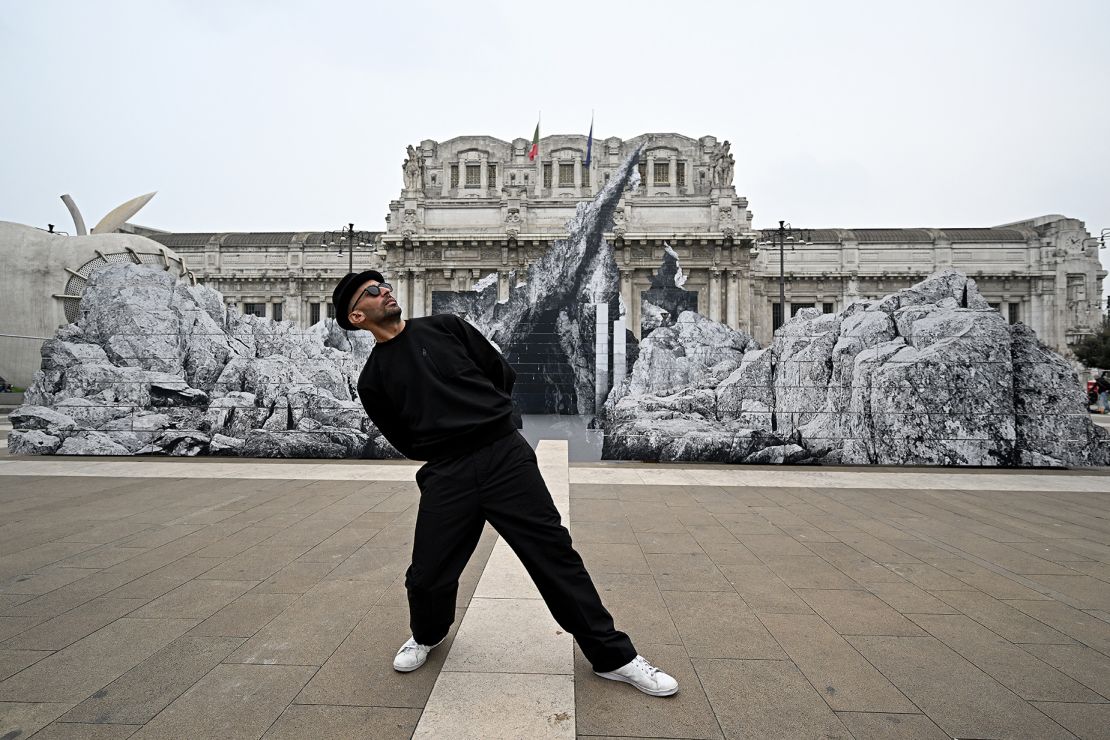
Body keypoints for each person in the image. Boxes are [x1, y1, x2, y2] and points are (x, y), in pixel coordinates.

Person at [332, 270, 678, 697]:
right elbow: (400, 436)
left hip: (505, 457)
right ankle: (428, 634)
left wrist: (496, 419)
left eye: (383, 284)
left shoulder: (447, 327)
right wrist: (445, 449)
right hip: (447, 472)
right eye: (372, 291)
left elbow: (499, 372)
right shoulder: (373, 378)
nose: (384, 290)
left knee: (555, 557)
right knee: (427, 575)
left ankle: (614, 657)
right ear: (356, 315)